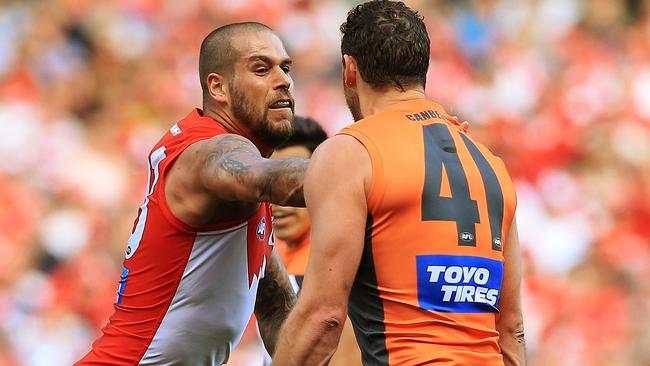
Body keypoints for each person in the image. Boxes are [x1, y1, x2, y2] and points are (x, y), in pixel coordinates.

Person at [273, 1, 525, 365]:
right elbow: (512, 328)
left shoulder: (351, 152)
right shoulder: (491, 164)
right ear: (423, 70)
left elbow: (323, 317)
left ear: (349, 70)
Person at [76, 22, 302, 365]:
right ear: (218, 88)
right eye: (261, 68)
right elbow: (272, 179)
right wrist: (371, 170)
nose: (283, 79)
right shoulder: (208, 152)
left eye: (285, 68)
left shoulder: (240, 186)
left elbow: (275, 308)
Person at [270, 116, 362, 365]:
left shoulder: (346, 262)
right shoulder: (268, 255)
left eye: (294, 187)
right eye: (271, 188)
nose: (280, 204)